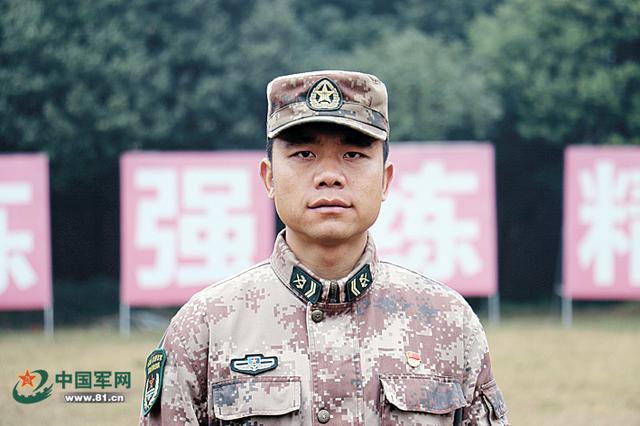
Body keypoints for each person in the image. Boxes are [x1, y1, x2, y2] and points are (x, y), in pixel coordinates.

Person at [139, 70, 509, 425]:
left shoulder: (448, 322)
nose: (329, 176)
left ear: (385, 180)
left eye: (353, 154)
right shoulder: (205, 326)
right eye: (304, 154)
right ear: (269, 178)